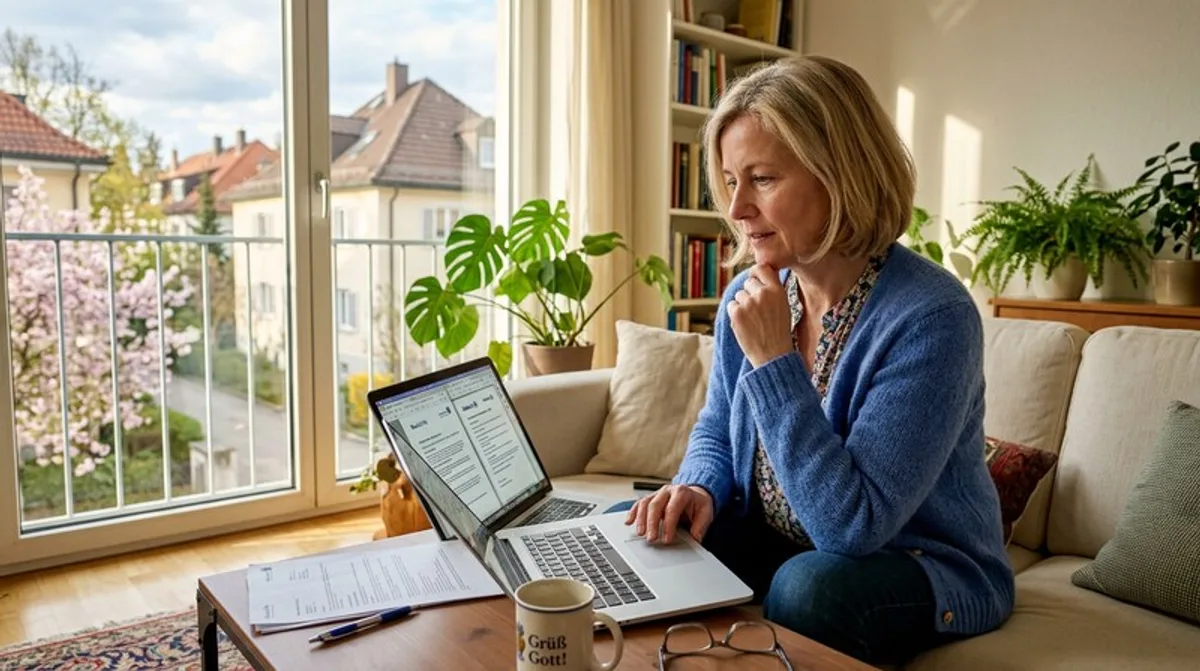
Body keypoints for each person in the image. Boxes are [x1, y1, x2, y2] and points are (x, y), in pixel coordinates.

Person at [617, 55, 1015, 666]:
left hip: (920, 564)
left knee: (810, 588)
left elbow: (853, 528)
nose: (738, 208)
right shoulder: (747, 296)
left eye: (763, 179)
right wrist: (698, 484)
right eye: (729, 181)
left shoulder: (933, 317)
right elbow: (718, 430)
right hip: (782, 536)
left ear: (841, 175)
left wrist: (776, 360)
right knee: (639, 527)